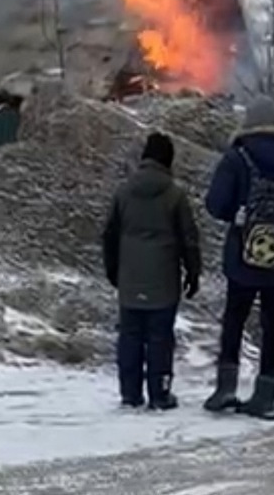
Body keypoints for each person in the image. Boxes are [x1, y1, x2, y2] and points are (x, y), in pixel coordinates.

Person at [202, 95, 274, 420]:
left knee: (234, 319)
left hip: (242, 255)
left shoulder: (236, 157)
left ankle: (226, 389)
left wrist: (239, 216)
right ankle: (265, 397)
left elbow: (214, 204)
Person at [102, 132, 202, 410]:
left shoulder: (123, 191)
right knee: (160, 337)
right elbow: (188, 238)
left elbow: (109, 234)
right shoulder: (174, 194)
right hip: (164, 278)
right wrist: (193, 273)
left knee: (130, 335)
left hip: (130, 277)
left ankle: (130, 394)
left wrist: (113, 270)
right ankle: (159, 394)